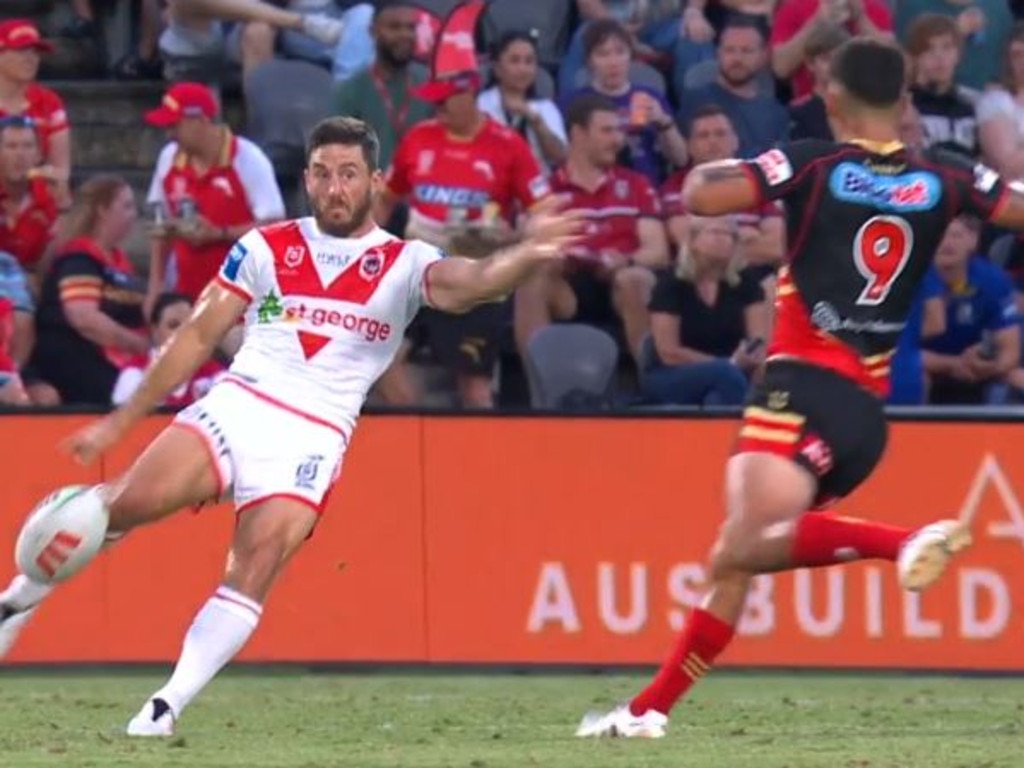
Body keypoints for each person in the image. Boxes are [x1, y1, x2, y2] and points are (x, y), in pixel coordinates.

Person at [0, 116, 582, 736]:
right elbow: (198, 333)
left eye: (349, 175)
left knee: (255, 562)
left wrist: (528, 254)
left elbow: (476, 283)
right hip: (240, 404)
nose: (335, 188)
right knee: (117, 509)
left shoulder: (405, 262)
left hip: (313, 434)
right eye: (323, 174)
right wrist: (123, 420)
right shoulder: (265, 246)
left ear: (376, 182)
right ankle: (15, 605)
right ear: (306, 179)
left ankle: (164, 706)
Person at [576, 36, 1024, 740]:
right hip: (862, 418)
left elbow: (702, 193)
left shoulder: (813, 159)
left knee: (742, 547)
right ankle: (649, 712)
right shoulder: (947, 177)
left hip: (795, 390)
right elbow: (1014, 205)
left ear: (833, 98)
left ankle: (904, 541)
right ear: (905, 103)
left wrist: (757, 162)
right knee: (735, 554)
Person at [29, 175, 149, 406]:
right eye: (126, 206)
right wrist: (138, 344)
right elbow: (85, 319)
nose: (134, 214)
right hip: (75, 361)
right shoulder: (79, 259)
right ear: (102, 210)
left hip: (115, 359)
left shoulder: (119, 261)